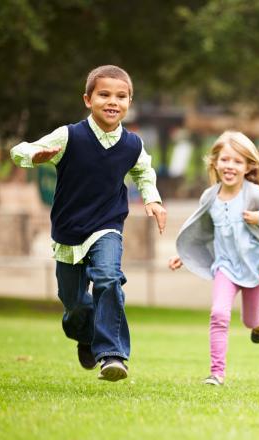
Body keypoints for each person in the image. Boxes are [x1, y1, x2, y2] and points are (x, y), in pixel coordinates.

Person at [10, 65, 166, 382]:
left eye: (121, 96)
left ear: (129, 101)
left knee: (108, 278)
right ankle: (85, 334)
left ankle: (113, 356)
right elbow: (19, 150)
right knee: (75, 304)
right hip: (68, 230)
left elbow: (144, 173)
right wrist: (34, 157)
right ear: (87, 99)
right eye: (104, 94)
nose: (113, 101)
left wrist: (152, 199)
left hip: (107, 226)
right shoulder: (69, 136)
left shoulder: (132, 145)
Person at [168, 131, 259, 386]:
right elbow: (201, 232)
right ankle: (216, 373)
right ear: (215, 162)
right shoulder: (209, 197)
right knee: (219, 314)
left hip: (256, 266)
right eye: (225, 160)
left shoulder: (254, 195)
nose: (230, 166)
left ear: (248, 166)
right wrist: (184, 255)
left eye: (237, 161)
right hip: (225, 267)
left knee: (250, 321)